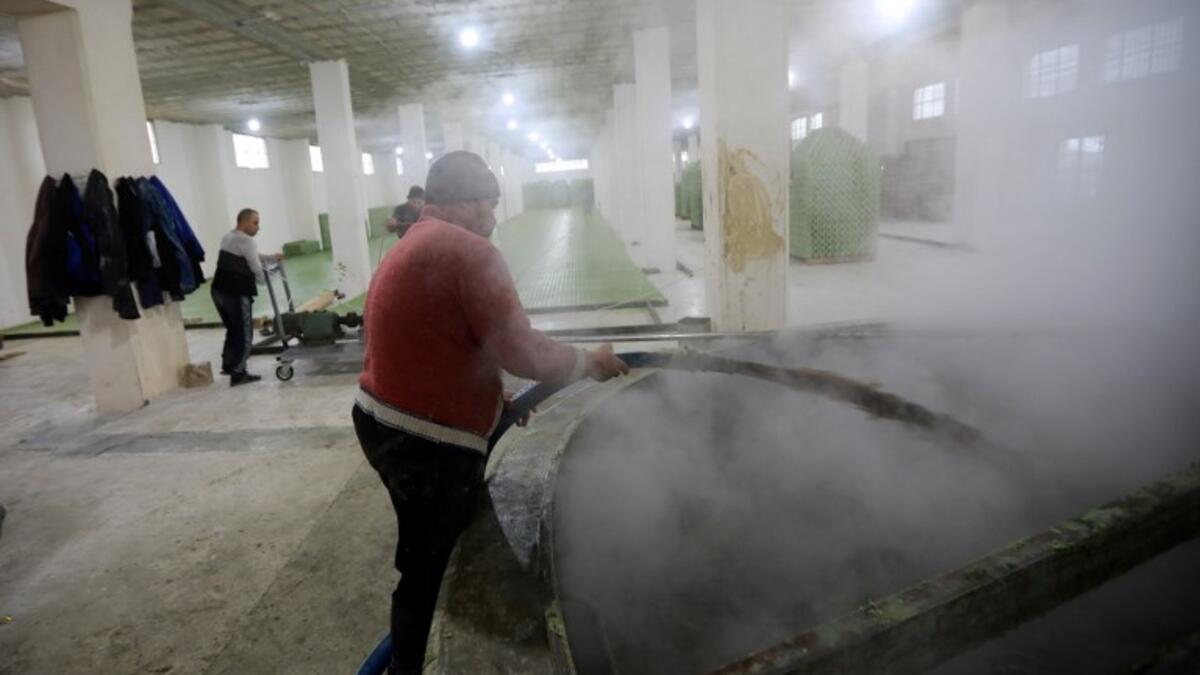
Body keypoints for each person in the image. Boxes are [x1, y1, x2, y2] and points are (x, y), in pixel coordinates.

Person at [352, 151, 628, 675]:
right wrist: (587, 362)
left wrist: (489, 402)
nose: (496, 216)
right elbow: (519, 349)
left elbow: (440, 342)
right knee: (427, 564)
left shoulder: (414, 240)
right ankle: (410, 665)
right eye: (493, 204)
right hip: (424, 440)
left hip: (383, 417)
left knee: (432, 542)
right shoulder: (469, 251)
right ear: (472, 203)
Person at [210, 208, 282, 386]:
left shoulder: (229, 237)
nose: (258, 227)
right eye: (255, 223)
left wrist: (272, 258)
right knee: (244, 331)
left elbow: (252, 257)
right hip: (236, 292)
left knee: (233, 329)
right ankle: (238, 372)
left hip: (218, 290)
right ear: (243, 222)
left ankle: (229, 365)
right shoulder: (246, 240)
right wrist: (264, 281)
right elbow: (255, 266)